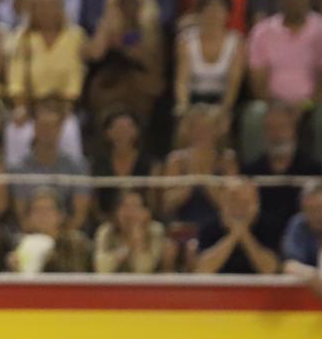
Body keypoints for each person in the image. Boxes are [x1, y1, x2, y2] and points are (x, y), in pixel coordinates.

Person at [242, 0, 322, 167]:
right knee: (254, 115)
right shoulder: (262, 31)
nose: (293, 0)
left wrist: (303, 106)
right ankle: (254, 179)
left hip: (311, 104)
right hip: (272, 103)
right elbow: (258, 82)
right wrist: (277, 108)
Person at [81, 0, 163, 130]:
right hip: (108, 84)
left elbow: (156, 72)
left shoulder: (152, 29)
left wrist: (137, 52)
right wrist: (108, 32)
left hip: (140, 86)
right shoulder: (106, 25)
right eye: (123, 1)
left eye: (134, 1)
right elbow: (94, 55)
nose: (128, 7)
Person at [4, 0, 86, 125]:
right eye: (40, 5)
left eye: (52, 4)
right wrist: (20, 106)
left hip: (64, 106)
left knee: (69, 127)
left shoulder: (75, 36)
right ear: (31, 9)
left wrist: (67, 105)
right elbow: (16, 75)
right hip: (31, 107)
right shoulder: (22, 37)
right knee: (17, 128)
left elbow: (75, 74)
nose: (46, 10)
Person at [243, 101, 321, 250]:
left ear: (293, 129)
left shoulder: (313, 169)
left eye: (281, 128)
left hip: (303, 239)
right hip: (262, 241)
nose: (276, 135)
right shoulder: (251, 171)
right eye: (270, 129)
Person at [161, 104, 237, 245]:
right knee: (172, 248)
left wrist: (205, 177)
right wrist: (191, 180)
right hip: (184, 225)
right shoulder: (176, 160)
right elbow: (167, 204)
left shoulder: (227, 160)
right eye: (195, 128)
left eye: (206, 128)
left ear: (216, 130)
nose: (201, 133)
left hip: (218, 226)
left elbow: (230, 204)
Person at [11, 97, 90, 231]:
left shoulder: (78, 167)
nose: (47, 131)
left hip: (65, 236)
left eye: (52, 126)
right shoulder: (20, 169)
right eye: (42, 126)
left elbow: (79, 214)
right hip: (30, 235)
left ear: (60, 128)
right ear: (35, 127)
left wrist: (60, 241)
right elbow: (22, 216)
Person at [174, 0, 243, 118]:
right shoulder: (185, 41)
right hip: (193, 97)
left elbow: (233, 82)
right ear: (199, 13)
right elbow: (182, 81)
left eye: (219, 10)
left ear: (228, 14)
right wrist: (183, 107)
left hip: (222, 99)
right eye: (208, 9)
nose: (213, 14)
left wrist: (224, 110)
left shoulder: (237, 42)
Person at [192, 178, 280, 275]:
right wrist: (234, 235)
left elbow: (269, 269)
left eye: (245, 203)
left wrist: (244, 233)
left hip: (258, 287)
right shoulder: (209, 227)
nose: (238, 207)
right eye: (233, 201)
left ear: (256, 204)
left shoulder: (269, 225)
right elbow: (204, 268)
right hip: (218, 286)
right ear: (223, 203)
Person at [4, 185, 91, 272]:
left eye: (48, 209)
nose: (43, 215)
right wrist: (13, 268)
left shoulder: (76, 243)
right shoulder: (20, 243)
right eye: (37, 210)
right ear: (29, 216)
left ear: (60, 215)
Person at [90, 109, 157, 220]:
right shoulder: (97, 164)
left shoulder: (149, 163)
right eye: (117, 127)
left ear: (136, 131)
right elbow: (94, 204)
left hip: (143, 222)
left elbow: (152, 203)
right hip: (105, 222)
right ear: (108, 132)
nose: (122, 132)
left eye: (127, 127)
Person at [93, 187, 171, 273]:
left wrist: (139, 237)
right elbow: (101, 267)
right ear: (117, 212)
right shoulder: (106, 230)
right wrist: (128, 247)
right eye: (125, 206)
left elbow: (143, 269)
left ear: (146, 212)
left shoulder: (154, 230)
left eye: (135, 207)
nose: (130, 213)